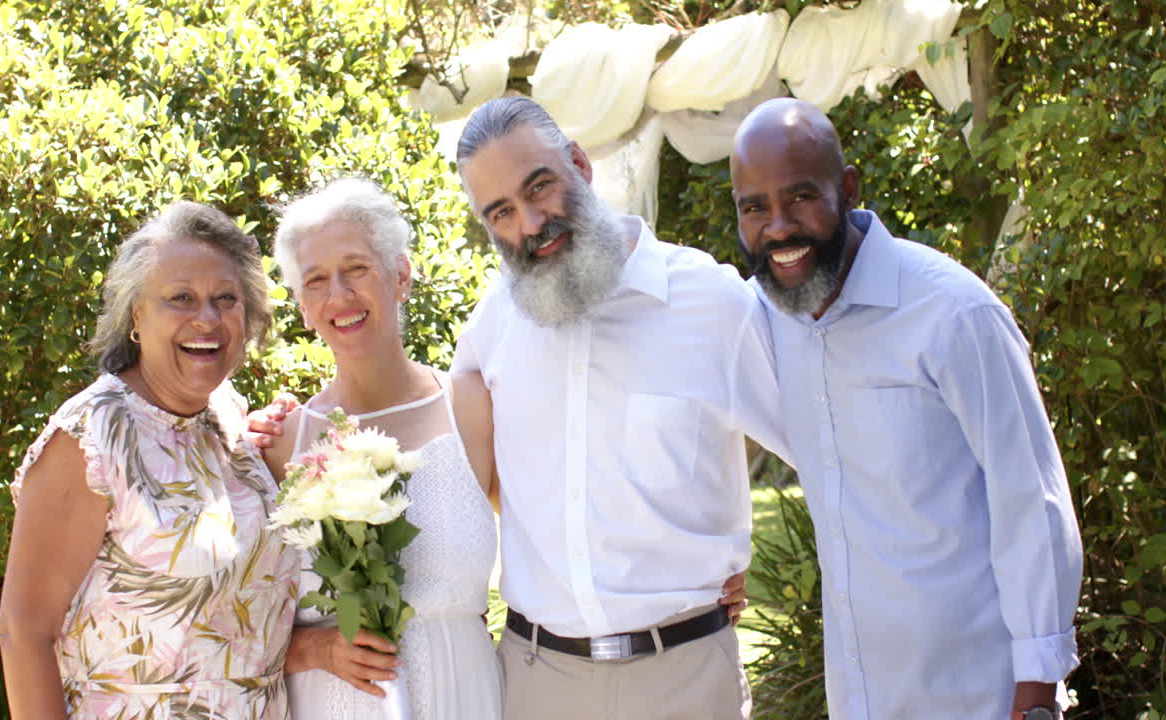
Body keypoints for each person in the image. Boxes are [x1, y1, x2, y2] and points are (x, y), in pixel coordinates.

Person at [727, 97, 1083, 720]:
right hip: (860, 695)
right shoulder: (764, 320)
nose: (778, 227)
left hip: (980, 694)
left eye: (800, 197)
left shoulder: (954, 313)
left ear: (848, 189)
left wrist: (1038, 686)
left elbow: (1031, 498)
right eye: (754, 207)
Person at [449, 96, 791, 720]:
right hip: (536, 682)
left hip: (687, 679)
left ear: (580, 165)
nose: (530, 223)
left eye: (540, 187)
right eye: (501, 212)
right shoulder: (491, 327)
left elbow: (825, 452)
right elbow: (482, 475)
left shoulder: (711, 304)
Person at [0, 202, 301, 719]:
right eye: (181, 298)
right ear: (137, 315)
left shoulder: (226, 415)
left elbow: (232, 619)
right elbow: (22, 631)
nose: (207, 318)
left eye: (225, 298)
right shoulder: (91, 437)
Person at [260, 177, 503, 720]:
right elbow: (236, 619)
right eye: (316, 280)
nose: (339, 296)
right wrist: (311, 647)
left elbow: (555, 539)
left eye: (357, 269)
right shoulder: (282, 444)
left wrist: (694, 572)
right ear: (301, 306)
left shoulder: (473, 408)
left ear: (401, 276)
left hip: (464, 699)